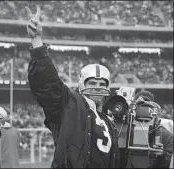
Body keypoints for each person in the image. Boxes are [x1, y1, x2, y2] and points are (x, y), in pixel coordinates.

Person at [25, 5, 120, 168]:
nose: (97, 87)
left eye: (101, 84)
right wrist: (37, 42)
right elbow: (48, 85)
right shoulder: (70, 105)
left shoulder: (108, 121)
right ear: (82, 84)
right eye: (92, 83)